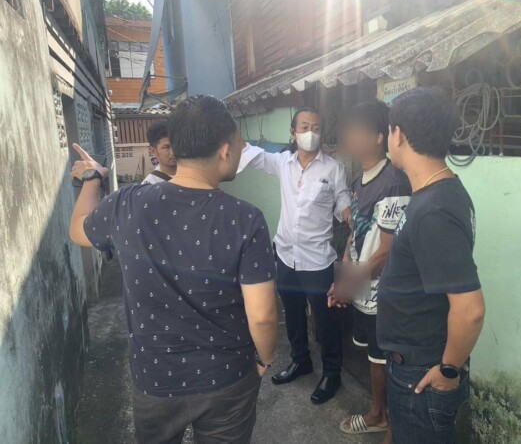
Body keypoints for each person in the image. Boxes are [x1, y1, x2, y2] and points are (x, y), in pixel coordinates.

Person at [69, 95, 278, 444]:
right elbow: (264, 317)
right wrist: (265, 359)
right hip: (227, 378)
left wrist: (92, 178)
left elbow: (78, 230)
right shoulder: (246, 219)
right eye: (241, 144)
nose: (243, 151)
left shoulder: (126, 205)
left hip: (155, 379)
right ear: (225, 150)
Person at [378, 87, 486, 444]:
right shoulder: (434, 193)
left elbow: (470, 310)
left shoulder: (434, 209)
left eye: (389, 130)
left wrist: (448, 370)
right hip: (414, 364)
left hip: (423, 374)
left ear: (398, 134)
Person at [239, 106, 352, 405]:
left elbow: (342, 196)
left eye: (316, 127)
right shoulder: (282, 163)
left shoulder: (333, 168)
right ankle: (300, 360)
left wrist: (347, 211)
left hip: (317, 259)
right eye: (304, 127)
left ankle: (332, 373)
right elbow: (250, 153)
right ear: (293, 132)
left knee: (325, 320)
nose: (310, 133)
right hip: (286, 255)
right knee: (292, 313)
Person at [328, 101, 411, 440]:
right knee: (373, 356)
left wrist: (350, 284)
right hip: (362, 285)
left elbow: (387, 253)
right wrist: (344, 279)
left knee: (382, 357)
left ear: (379, 137)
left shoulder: (394, 183)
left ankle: (381, 416)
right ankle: (381, 413)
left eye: (357, 131)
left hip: (383, 291)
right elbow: (355, 234)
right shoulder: (358, 180)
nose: (350, 137)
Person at [141, 120, 177, 184]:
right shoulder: (151, 184)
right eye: (166, 147)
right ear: (153, 151)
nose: (173, 152)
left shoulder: (194, 175)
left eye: (176, 145)